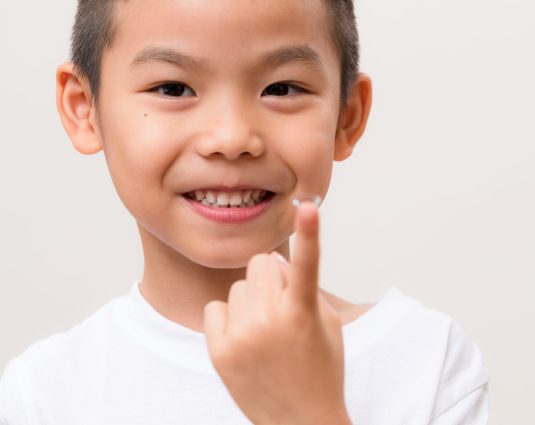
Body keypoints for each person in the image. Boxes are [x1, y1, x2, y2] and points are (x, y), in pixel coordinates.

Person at [0, 0, 489, 424]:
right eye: (173, 88)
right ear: (85, 107)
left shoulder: (426, 363)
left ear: (347, 116)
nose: (232, 139)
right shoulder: (40, 396)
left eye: (282, 89)